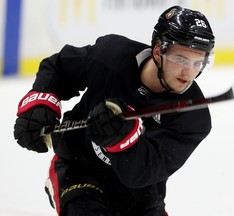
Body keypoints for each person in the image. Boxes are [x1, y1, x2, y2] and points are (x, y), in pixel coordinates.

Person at [14, 5, 215, 216]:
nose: (189, 72)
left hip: (140, 200)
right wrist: (40, 105)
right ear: (158, 51)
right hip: (78, 172)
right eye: (181, 59)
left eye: (198, 62)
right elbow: (60, 67)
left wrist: (123, 136)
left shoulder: (193, 117)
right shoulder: (111, 56)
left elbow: (142, 173)